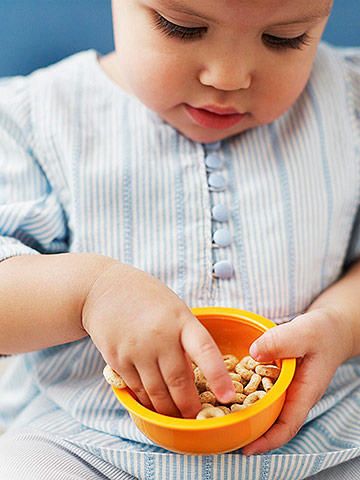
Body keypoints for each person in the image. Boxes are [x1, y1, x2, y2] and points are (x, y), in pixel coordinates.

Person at [0, 0, 359, 478]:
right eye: (181, 27)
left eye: (284, 38)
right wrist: (88, 292)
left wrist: (340, 325)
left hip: (321, 431)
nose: (228, 77)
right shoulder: (36, 119)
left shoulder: (348, 101)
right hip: (92, 440)